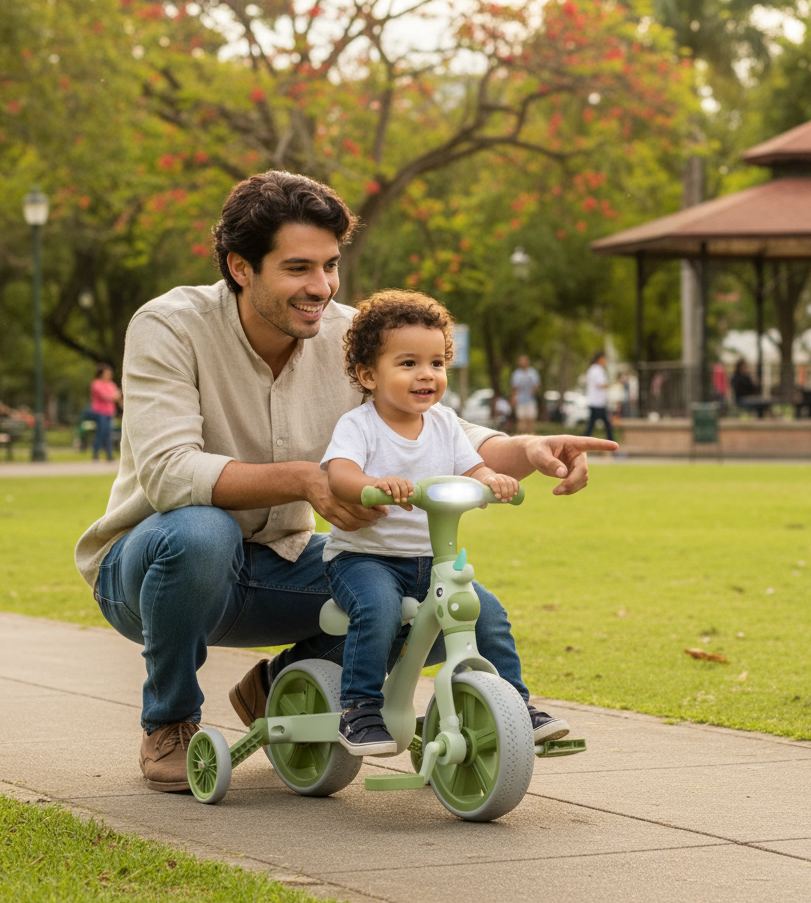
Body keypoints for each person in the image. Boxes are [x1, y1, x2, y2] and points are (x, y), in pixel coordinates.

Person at [74, 170, 616, 794]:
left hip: (281, 561)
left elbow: (443, 431)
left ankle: (286, 684)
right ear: (241, 267)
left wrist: (529, 448)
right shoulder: (169, 326)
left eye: (331, 266)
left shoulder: (350, 336)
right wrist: (307, 479)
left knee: (426, 604)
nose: (322, 287)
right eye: (299, 268)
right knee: (200, 531)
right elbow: (170, 474)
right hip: (155, 570)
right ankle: (169, 720)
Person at [320, 289, 568, 755]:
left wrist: (493, 479)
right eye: (409, 363)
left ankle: (516, 704)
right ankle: (359, 708)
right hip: (363, 559)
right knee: (378, 610)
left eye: (436, 363)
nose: (426, 375)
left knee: (487, 613)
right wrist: (374, 483)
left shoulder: (445, 423)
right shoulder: (359, 426)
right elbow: (340, 474)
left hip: (431, 561)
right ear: (368, 374)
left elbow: (471, 467)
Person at [88, 363, 122, 461]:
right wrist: (113, 396)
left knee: (108, 433)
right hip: (99, 412)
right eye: (107, 373)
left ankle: (109, 455)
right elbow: (106, 396)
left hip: (109, 412)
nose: (109, 375)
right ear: (101, 374)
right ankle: (96, 453)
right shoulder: (96, 384)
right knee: (101, 432)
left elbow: (117, 396)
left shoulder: (111, 384)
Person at [584, 352, 614, 441]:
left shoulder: (593, 369)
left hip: (596, 402)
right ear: (600, 359)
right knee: (606, 424)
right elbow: (600, 384)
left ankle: (583, 440)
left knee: (592, 425)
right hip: (597, 403)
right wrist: (611, 385)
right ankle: (611, 442)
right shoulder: (597, 370)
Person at [510, 355, 541, 434]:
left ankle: (531, 434)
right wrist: (513, 397)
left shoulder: (533, 373)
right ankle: (521, 435)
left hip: (530, 399)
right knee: (521, 418)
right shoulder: (516, 374)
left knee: (531, 418)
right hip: (520, 400)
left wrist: (534, 390)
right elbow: (514, 387)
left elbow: (536, 386)